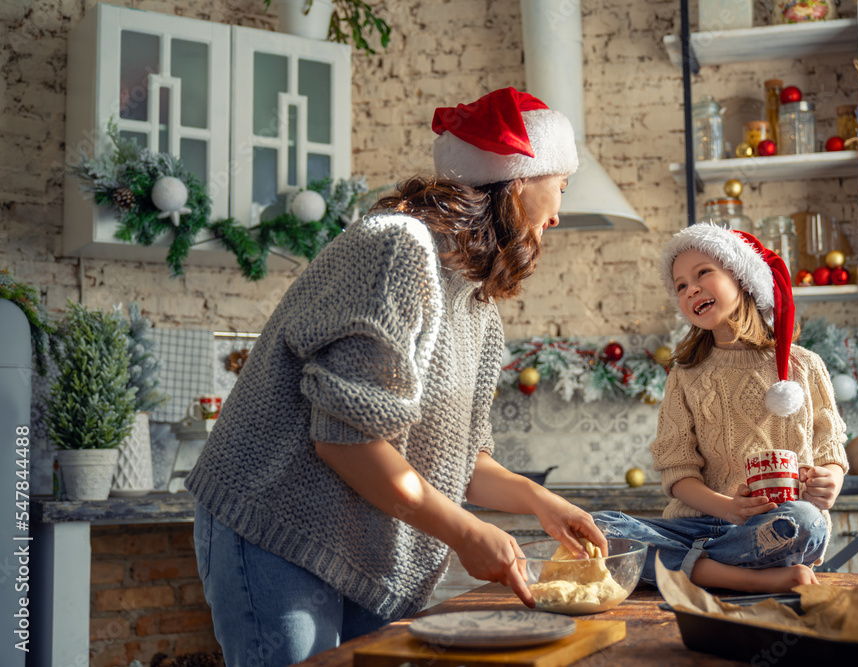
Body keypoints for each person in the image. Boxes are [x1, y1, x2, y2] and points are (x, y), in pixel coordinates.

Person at [186, 87, 608, 667]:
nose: (558, 212)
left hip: (359, 543)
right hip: (274, 521)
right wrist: (463, 532)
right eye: (559, 185)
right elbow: (346, 441)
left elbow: (461, 463)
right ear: (516, 181)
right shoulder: (397, 248)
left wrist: (538, 501)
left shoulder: (478, 307)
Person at [594, 223, 849, 594]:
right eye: (680, 286)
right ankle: (744, 579)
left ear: (743, 279)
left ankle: (691, 568)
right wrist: (727, 507)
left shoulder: (804, 366)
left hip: (768, 530)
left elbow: (831, 453)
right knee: (598, 527)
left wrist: (830, 483)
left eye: (702, 273)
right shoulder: (685, 376)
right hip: (697, 524)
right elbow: (678, 474)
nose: (690, 289)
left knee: (805, 522)